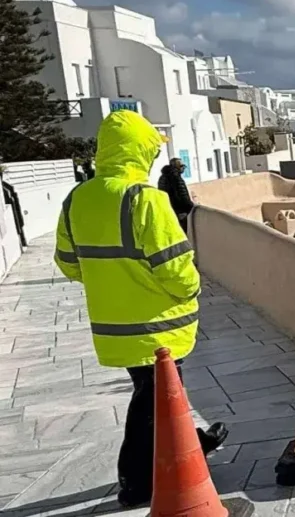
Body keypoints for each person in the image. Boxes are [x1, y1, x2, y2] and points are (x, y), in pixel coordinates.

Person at [53, 109, 227, 508]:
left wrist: (111, 283)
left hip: (113, 325)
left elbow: (67, 262)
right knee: (154, 399)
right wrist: (191, 289)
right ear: (140, 152)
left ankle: (193, 443)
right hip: (157, 323)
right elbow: (177, 269)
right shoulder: (144, 199)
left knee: (156, 393)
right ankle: (135, 481)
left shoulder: (77, 198)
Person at [157, 157, 195, 232]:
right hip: (179, 212)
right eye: (181, 166)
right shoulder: (176, 178)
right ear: (177, 167)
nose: (183, 168)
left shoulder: (162, 177)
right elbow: (182, 196)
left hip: (169, 210)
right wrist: (190, 206)